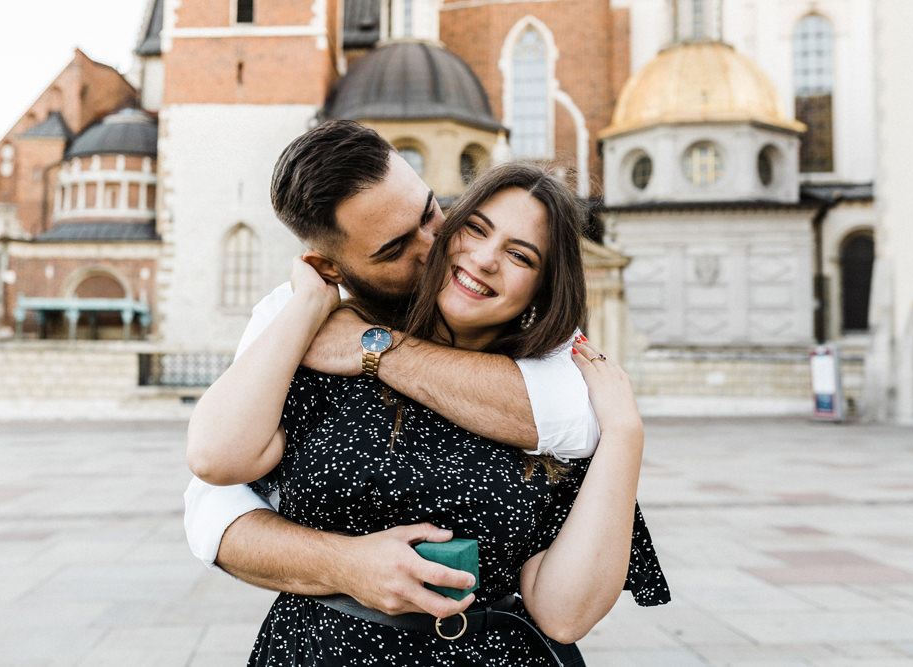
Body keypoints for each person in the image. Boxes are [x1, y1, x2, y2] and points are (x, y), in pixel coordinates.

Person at [188, 161, 669, 665]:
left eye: (520, 256)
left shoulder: (559, 405)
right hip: (321, 650)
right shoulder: (325, 349)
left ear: (545, 287)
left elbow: (566, 614)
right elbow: (216, 464)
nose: (484, 259)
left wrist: (623, 432)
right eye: (476, 229)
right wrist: (346, 564)